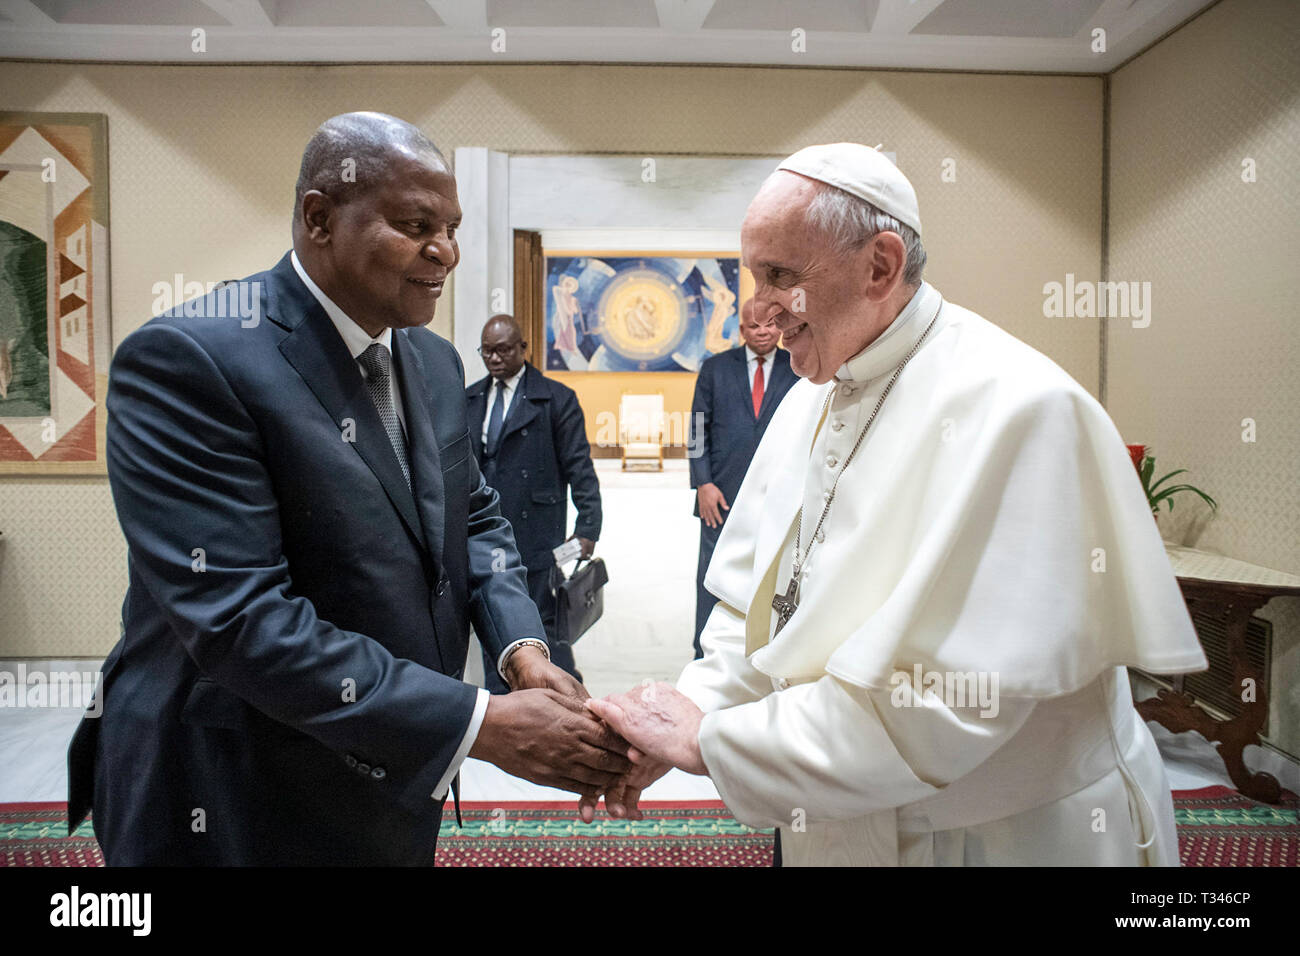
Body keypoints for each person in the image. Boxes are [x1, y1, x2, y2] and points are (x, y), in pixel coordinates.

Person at [583, 143, 1207, 867]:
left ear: (879, 266)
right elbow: (754, 610)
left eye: (781, 276)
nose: (756, 309)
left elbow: (944, 705)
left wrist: (708, 741)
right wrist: (694, 708)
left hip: (998, 838)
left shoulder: (1024, 410)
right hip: (827, 817)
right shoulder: (808, 401)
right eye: (754, 277)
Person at [67, 112, 630, 865]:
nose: (447, 252)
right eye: (415, 224)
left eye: (453, 227)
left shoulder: (429, 361)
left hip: (392, 771)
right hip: (230, 787)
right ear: (320, 217)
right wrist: (479, 724)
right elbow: (240, 621)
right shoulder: (189, 360)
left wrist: (521, 648)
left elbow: (476, 517)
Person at [466, 314, 602, 692]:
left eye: (503, 349)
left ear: (523, 348)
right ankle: (503, 705)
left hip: (539, 534)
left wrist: (587, 528)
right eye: (487, 351)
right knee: (492, 621)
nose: (494, 358)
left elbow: (580, 467)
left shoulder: (555, 398)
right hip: (483, 534)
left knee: (546, 626)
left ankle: (570, 703)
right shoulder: (471, 398)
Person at [689, 301, 797, 658]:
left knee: (772, 575)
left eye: (769, 325)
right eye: (754, 326)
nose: (763, 332)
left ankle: (765, 652)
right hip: (720, 495)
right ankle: (704, 653)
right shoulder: (715, 368)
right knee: (713, 577)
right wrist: (702, 483)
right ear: (742, 331)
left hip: (779, 494)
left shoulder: (797, 367)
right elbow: (696, 430)